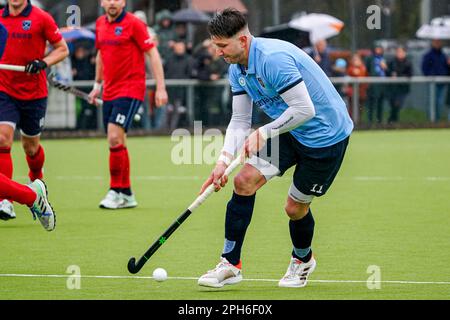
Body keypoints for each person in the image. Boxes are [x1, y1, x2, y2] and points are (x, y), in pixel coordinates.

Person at [197, 8, 353, 288]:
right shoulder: (237, 69)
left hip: (324, 136)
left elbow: (305, 109)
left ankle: (303, 260)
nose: (218, 52)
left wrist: (265, 131)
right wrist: (222, 161)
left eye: (222, 46)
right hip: (289, 128)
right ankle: (230, 264)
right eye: (215, 45)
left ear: (242, 41)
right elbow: (241, 119)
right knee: (243, 181)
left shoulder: (273, 60)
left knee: (294, 208)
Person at [88, 0, 168, 210]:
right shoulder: (99, 24)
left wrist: (160, 87)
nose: (113, 2)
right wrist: (97, 85)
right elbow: (101, 55)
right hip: (110, 90)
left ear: (123, 2)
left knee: (114, 137)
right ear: (102, 2)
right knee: (117, 141)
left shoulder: (134, 24)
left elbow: (153, 53)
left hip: (131, 88)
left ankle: (115, 191)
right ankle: (127, 193)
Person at [0, 0, 69, 219]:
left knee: (31, 148)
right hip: (4, 89)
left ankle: (37, 181)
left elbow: (62, 49)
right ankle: (5, 201)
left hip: (34, 94)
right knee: (2, 138)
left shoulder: (42, 18)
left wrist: (43, 62)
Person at [421, 39, 450, 122]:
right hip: (432, 83)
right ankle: (433, 121)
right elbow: (424, 68)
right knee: (433, 102)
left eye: (439, 42)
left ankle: (437, 120)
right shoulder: (428, 55)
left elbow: (446, 69)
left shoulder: (443, 55)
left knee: (439, 103)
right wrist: (430, 76)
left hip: (442, 82)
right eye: (436, 42)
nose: (437, 44)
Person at [387, 46, 412, 124]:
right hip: (392, 88)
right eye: (398, 52)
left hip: (402, 89)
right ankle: (392, 121)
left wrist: (398, 75)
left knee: (397, 104)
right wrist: (390, 73)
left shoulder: (408, 62)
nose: (399, 54)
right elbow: (388, 72)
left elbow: (409, 74)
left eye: (401, 52)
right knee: (393, 105)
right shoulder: (392, 62)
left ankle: (393, 121)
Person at [365, 44, 388, 124]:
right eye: (377, 49)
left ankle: (379, 121)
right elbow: (367, 70)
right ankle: (370, 121)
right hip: (372, 85)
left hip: (382, 85)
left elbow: (388, 71)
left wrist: (385, 68)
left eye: (380, 49)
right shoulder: (370, 59)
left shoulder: (384, 59)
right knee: (371, 103)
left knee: (380, 103)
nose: (378, 50)